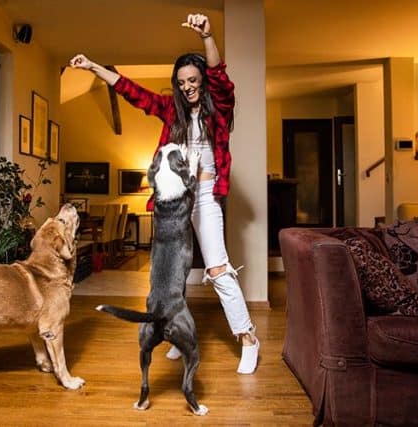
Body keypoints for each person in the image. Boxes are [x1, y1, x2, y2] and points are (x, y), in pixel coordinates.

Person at [69, 13, 258, 374]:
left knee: (217, 268)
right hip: (174, 201)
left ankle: (247, 336)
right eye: (182, 81)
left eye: (193, 80)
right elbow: (131, 91)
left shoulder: (219, 108)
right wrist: (94, 67)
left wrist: (208, 36)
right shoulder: (171, 109)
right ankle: (175, 332)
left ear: (201, 79)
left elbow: (221, 78)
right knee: (174, 271)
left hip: (204, 197)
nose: (187, 86)